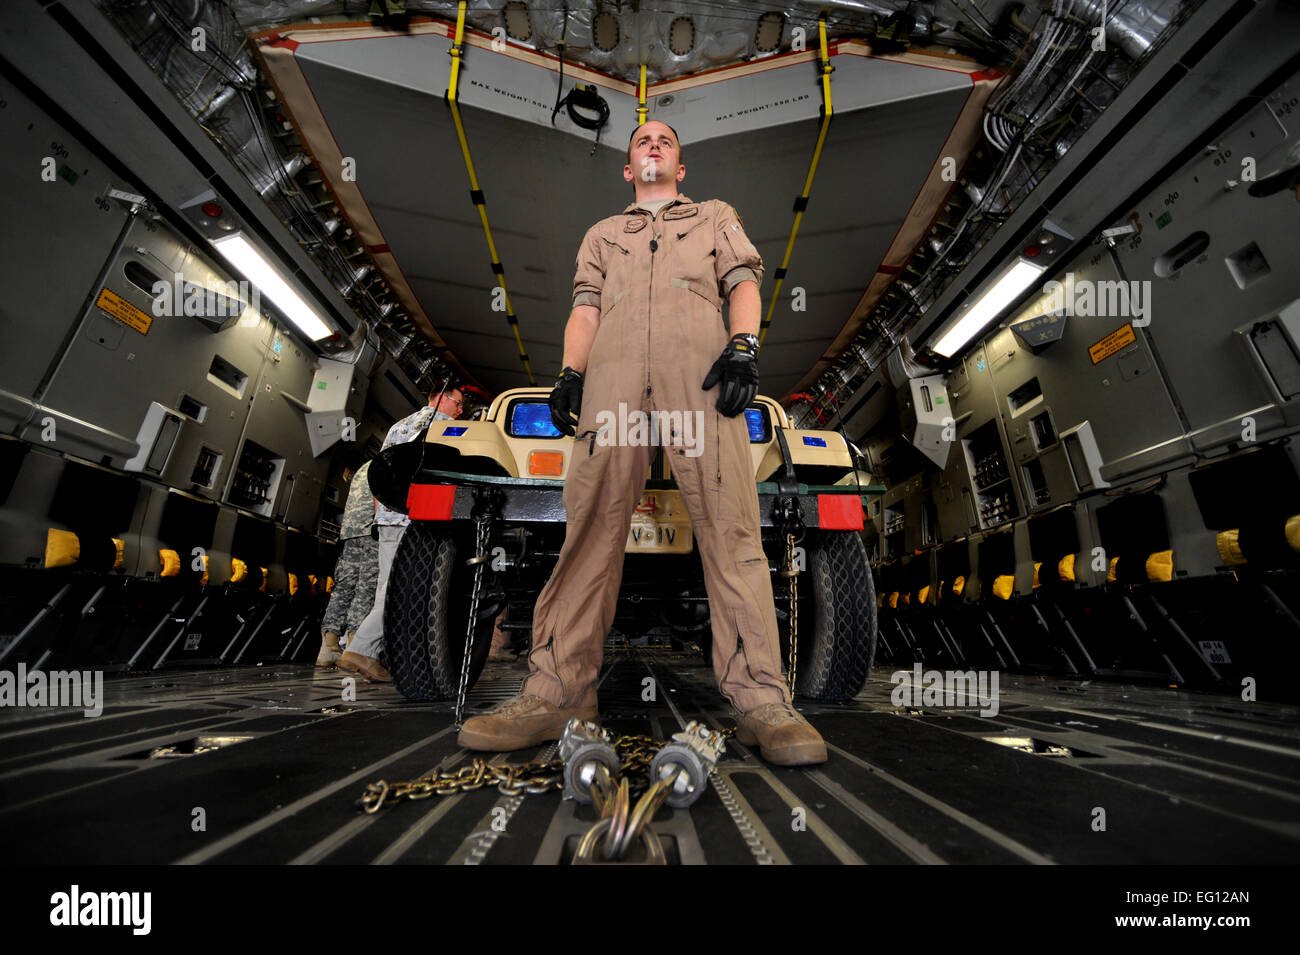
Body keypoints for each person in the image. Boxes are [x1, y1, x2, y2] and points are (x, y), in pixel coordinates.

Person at [458, 120, 827, 765]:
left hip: (700, 374)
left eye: (665, 141)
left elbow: (742, 281)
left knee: (731, 527)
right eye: (641, 142)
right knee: (589, 529)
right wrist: (571, 372)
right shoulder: (603, 234)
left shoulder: (714, 217)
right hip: (615, 376)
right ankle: (559, 691)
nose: (652, 145)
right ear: (628, 169)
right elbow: (587, 307)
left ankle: (762, 700)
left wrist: (744, 347)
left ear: (679, 167)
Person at [337, 380, 464, 682]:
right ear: (441, 399)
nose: (460, 411)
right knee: (401, 588)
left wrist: (379, 513)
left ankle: (370, 655)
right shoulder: (442, 425)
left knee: (386, 585)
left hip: (389, 516)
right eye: (457, 403)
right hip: (414, 518)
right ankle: (361, 650)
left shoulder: (398, 426)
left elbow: (377, 474)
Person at [317, 458, 379, 666]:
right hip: (372, 531)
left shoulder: (362, 468)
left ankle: (329, 647)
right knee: (366, 587)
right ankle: (354, 648)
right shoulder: (389, 464)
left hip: (350, 532)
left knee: (344, 587)